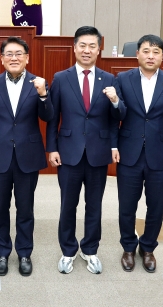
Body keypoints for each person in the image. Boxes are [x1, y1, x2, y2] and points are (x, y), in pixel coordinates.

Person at [46, 26, 123, 275]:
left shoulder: (110, 79)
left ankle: (90, 249)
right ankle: (68, 250)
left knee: (94, 205)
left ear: (99, 49)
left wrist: (115, 101)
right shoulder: (61, 78)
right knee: (68, 205)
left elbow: (118, 116)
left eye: (92, 46)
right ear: (75, 48)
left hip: (98, 152)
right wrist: (52, 148)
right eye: (83, 45)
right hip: (68, 151)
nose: (87, 50)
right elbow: (53, 117)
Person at [113, 34, 163, 273]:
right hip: (129, 152)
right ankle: (128, 247)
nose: (150, 56)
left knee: (156, 205)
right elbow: (116, 115)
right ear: (137, 54)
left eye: (156, 52)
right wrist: (115, 103)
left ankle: (147, 248)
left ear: (162, 56)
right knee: (127, 205)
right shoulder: (123, 79)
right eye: (146, 51)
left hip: (160, 153)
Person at [0, 36, 53, 277]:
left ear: (27, 58)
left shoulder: (38, 83)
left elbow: (48, 116)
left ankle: (24, 253)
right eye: (9, 54)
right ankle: (2, 252)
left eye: (19, 53)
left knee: (25, 209)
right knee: (0, 209)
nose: (14, 58)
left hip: (27, 156)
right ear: (2, 59)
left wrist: (43, 95)